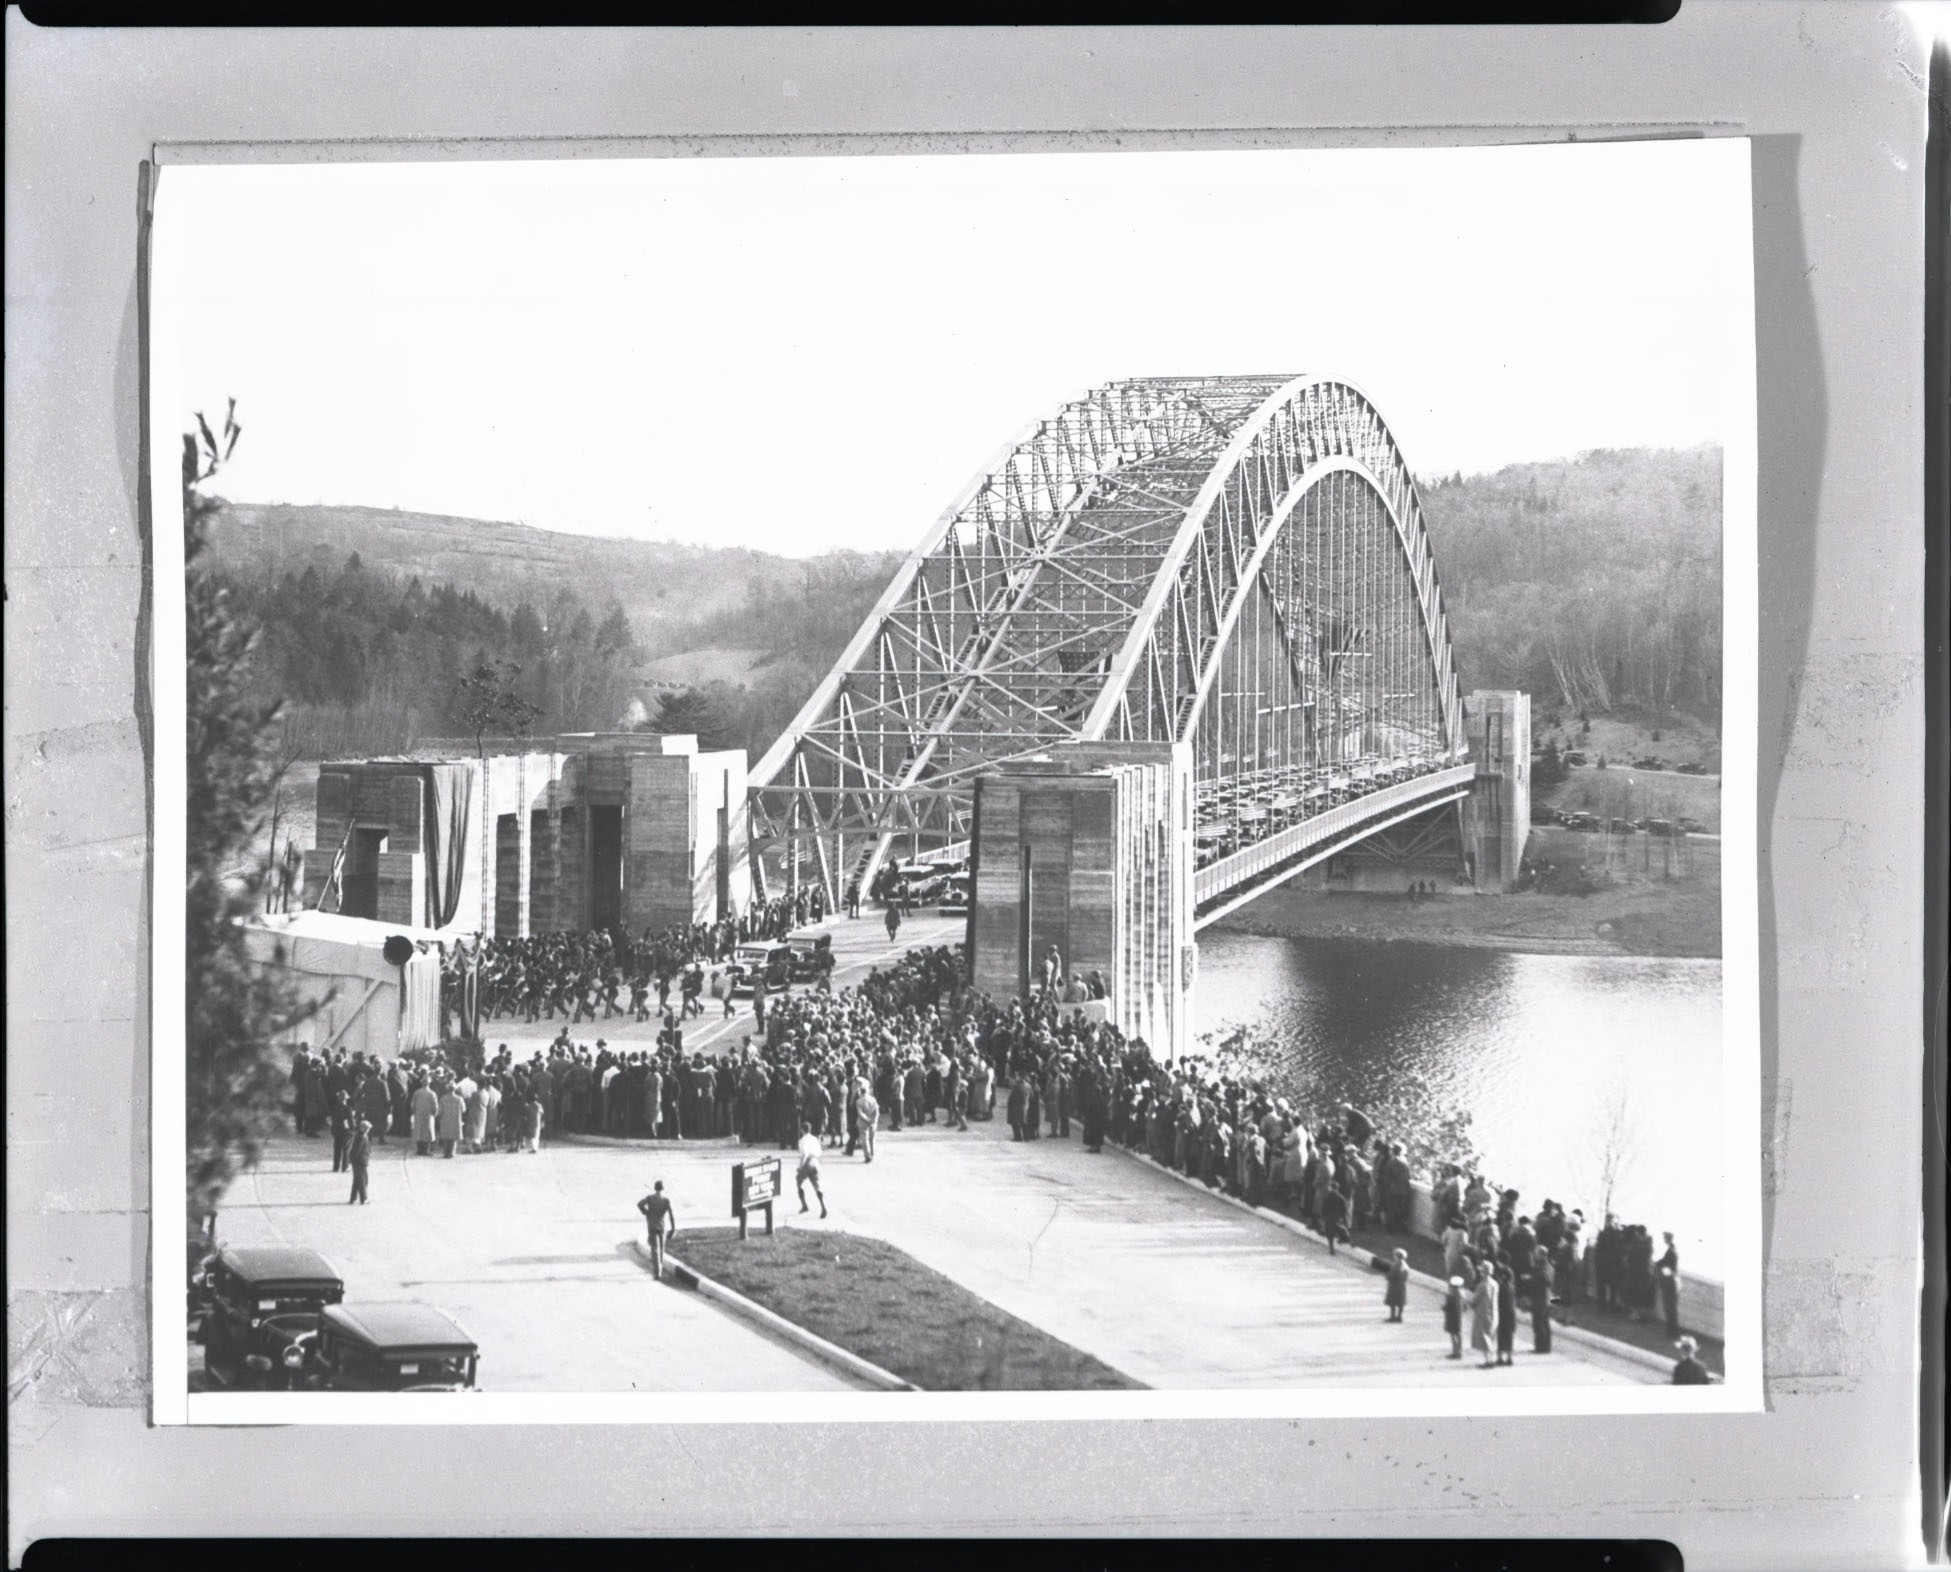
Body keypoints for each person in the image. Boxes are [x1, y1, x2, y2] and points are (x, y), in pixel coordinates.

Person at [636, 1180, 676, 1282]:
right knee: (661, 1248)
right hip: (662, 1226)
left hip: (652, 1225)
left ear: (655, 1188)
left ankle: (656, 1271)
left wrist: (646, 1212)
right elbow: (671, 1215)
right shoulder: (666, 1200)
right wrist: (673, 1228)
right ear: (663, 1189)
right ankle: (660, 1270)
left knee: (654, 1248)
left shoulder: (650, 1198)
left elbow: (639, 1204)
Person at [795, 1122, 828, 1218]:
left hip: (807, 1162)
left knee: (799, 1182)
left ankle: (804, 1205)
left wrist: (800, 1166)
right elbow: (820, 1152)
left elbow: (804, 1154)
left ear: (802, 1130)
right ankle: (823, 1206)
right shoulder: (815, 1139)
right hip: (815, 1162)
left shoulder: (802, 1140)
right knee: (817, 1185)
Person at [1470, 1265, 1497, 1367]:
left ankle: (1488, 1361)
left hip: (1482, 1313)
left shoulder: (1481, 1285)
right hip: (1493, 1312)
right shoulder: (1495, 1284)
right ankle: (1491, 1358)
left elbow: (1475, 1300)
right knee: (1491, 1335)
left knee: (1483, 1336)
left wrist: (1470, 1303)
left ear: (1484, 1273)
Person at [1657, 1231, 1682, 1336]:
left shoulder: (1670, 1252)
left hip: (1670, 1283)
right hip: (1674, 1282)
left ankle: (1672, 1331)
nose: (1663, 1239)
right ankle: (1672, 1329)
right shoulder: (1672, 1250)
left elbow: (1664, 1264)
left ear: (1668, 1239)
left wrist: (1658, 1264)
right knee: (1672, 1307)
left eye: (1664, 1237)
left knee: (1670, 1307)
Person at [1494, 1262, 1517, 1367]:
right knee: (1509, 1337)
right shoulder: (1511, 1288)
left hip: (1502, 1315)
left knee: (1501, 1337)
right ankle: (1509, 1357)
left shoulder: (1501, 1288)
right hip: (1511, 1315)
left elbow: (1498, 1302)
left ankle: (1500, 1357)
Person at [346, 1115, 372, 1205]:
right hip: (360, 1162)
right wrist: (353, 1160)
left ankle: (353, 1198)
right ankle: (363, 1199)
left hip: (359, 1161)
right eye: (367, 1128)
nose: (368, 1130)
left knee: (357, 1180)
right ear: (363, 1128)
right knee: (362, 1180)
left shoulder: (361, 1136)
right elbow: (357, 1150)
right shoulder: (361, 1137)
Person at [436, 1081, 464, 1158]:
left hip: (445, 1119)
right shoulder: (459, 1099)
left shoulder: (443, 1098)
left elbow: (439, 1111)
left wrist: (438, 1118)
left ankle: (445, 1153)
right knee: (453, 1137)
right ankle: (451, 1153)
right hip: (455, 1119)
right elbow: (464, 1109)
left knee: (445, 1137)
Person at [1384, 1248, 1409, 1323]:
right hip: (1402, 1286)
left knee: (1393, 1302)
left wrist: (1386, 1276)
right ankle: (1399, 1317)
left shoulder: (1395, 1265)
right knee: (1400, 1302)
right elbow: (1406, 1277)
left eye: (1395, 1255)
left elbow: (1391, 1276)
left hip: (1394, 1286)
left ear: (1397, 1256)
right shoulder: (1406, 1266)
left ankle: (1392, 1317)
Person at [1443, 1276, 1465, 1358]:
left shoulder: (1451, 1296)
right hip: (1459, 1317)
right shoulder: (1461, 1295)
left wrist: (1443, 1308)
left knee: (1453, 1334)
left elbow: (1447, 1307)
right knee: (1458, 1334)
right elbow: (1465, 1308)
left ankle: (1455, 1352)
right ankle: (1459, 1351)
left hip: (1451, 1318)